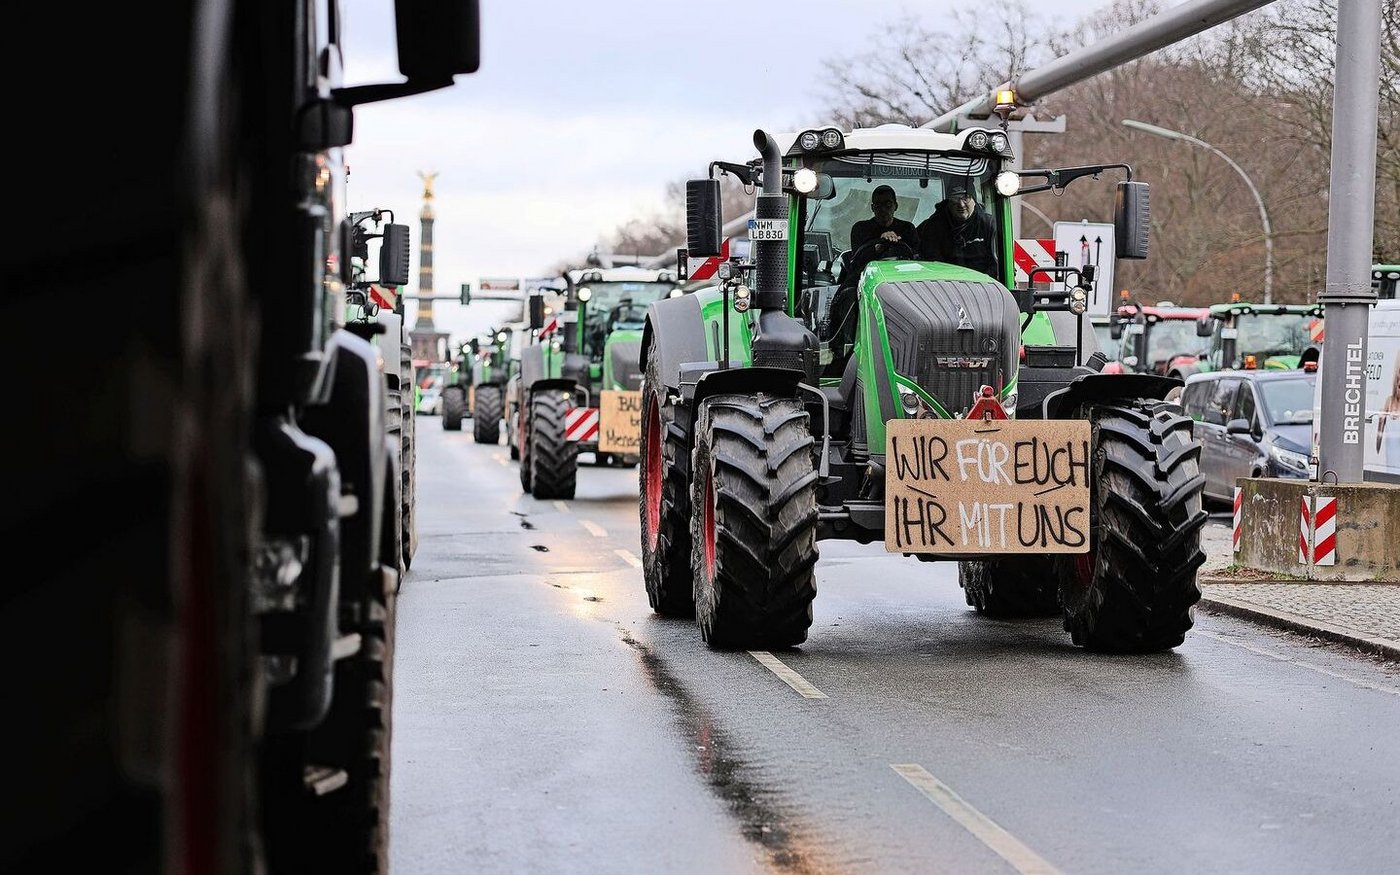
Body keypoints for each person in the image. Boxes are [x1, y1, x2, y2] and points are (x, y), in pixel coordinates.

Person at [916, 182, 999, 278]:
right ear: (948, 202)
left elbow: (999, 263)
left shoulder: (989, 224)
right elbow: (931, 262)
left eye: (965, 198)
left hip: (984, 283)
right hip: (946, 283)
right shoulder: (934, 226)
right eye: (955, 199)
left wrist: (981, 280)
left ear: (974, 200)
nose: (961, 204)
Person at [849, 185, 919, 254]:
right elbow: (855, 261)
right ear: (872, 208)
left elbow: (917, 256)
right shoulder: (861, 229)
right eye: (878, 205)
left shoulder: (907, 229)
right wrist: (877, 247)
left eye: (888, 204)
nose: (883, 209)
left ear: (896, 206)